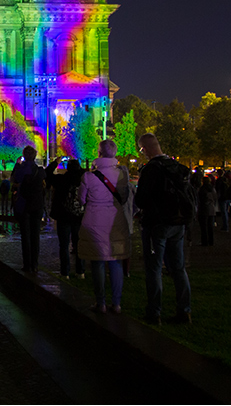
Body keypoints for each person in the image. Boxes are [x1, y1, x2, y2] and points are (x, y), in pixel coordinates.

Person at [133, 133, 192, 325]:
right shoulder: (176, 167)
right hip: (178, 222)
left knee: (154, 268)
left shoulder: (151, 170)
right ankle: (184, 310)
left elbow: (141, 199)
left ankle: (154, 312)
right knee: (178, 268)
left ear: (145, 149)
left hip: (156, 224)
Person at [78, 140, 131, 314]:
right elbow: (124, 196)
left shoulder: (88, 176)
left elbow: (82, 199)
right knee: (116, 261)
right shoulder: (123, 175)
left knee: (98, 262)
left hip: (95, 220)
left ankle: (100, 302)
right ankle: (116, 303)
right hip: (116, 220)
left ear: (98, 154)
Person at [49, 158, 86, 279]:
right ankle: (80, 271)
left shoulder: (61, 179)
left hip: (63, 215)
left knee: (64, 245)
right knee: (79, 244)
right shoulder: (84, 180)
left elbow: (47, 174)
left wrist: (55, 163)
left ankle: (65, 272)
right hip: (79, 215)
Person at [11, 147, 46, 273]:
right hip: (37, 205)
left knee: (25, 236)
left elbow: (14, 179)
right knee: (35, 236)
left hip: (23, 204)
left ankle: (27, 264)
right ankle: (35, 264)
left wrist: (17, 164)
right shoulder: (39, 170)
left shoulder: (20, 170)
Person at [197, 175, 217, 246]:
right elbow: (215, 197)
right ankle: (211, 241)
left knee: (203, 226)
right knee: (210, 226)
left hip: (203, 209)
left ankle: (204, 241)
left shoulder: (201, 189)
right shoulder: (212, 189)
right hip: (211, 208)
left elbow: (199, 199)